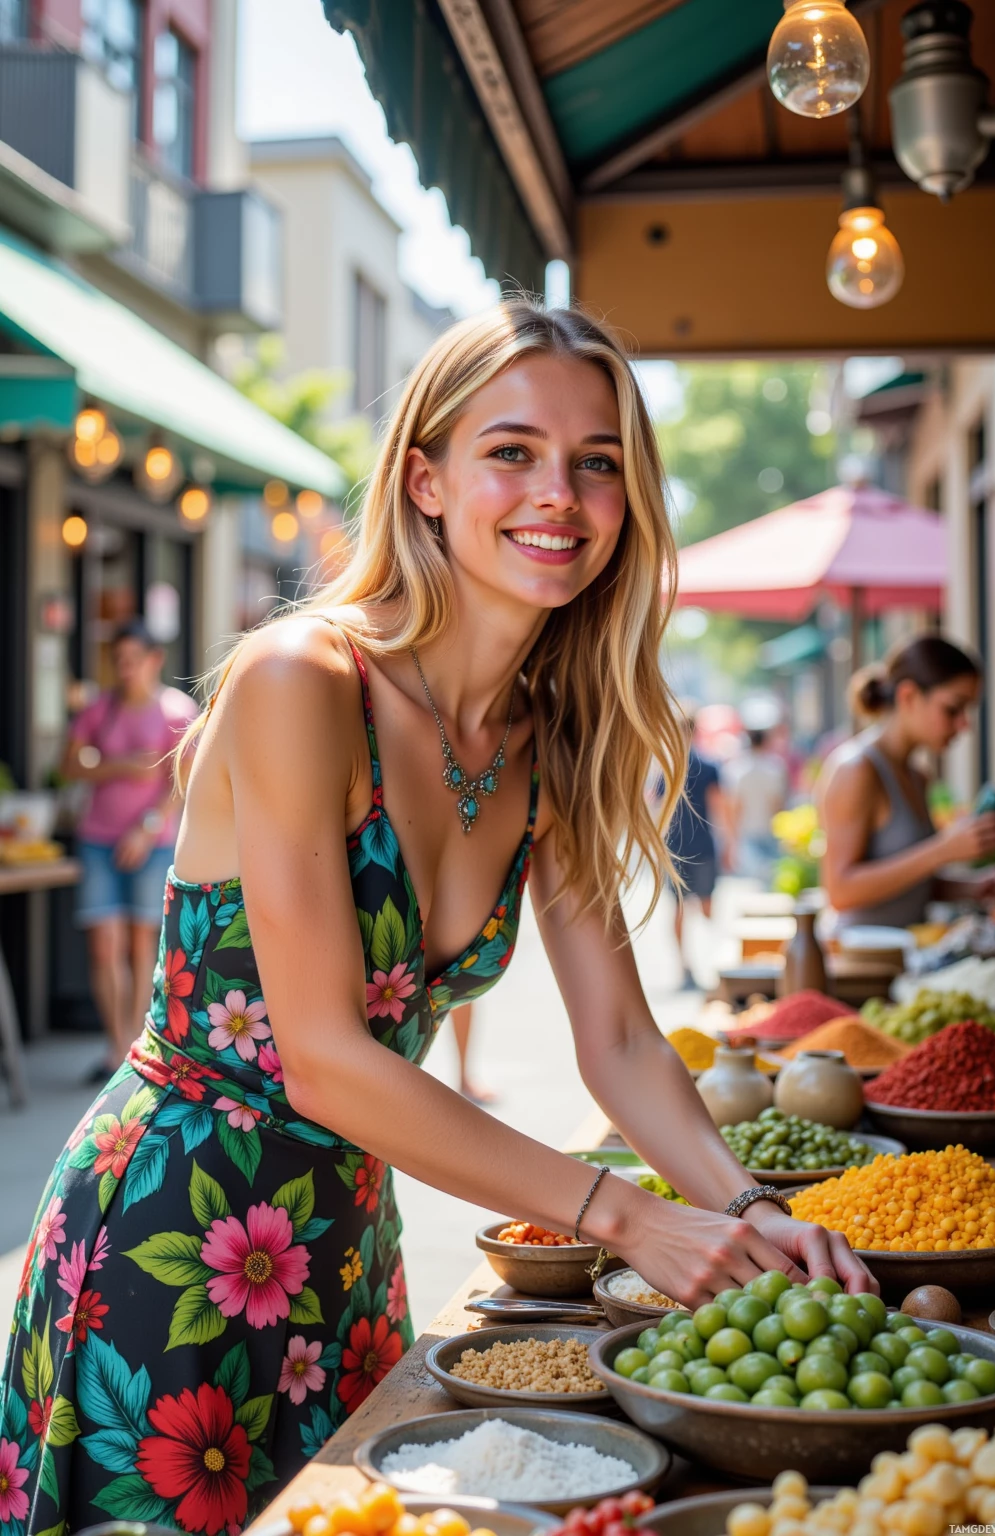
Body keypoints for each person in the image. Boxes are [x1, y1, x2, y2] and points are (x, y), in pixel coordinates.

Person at [5, 302, 874, 1535]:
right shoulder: (302, 680)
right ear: (424, 479)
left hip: (345, 1238)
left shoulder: (551, 737)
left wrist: (748, 1214)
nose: (557, 495)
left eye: (597, 461)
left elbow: (621, 1041)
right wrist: (625, 1215)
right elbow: (322, 1055)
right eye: (511, 452)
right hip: (169, 1230)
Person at [61, 618, 197, 1074]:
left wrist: (148, 827)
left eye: (133, 660)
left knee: (143, 945)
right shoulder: (100, 708)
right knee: (105, 945)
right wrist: (117, 766)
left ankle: (138, 1045)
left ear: (154, 660)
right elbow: (69, 764)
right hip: (99, 840)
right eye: (118, 661)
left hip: (152, 844)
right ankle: (115, 1044)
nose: (125, 669)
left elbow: (183, 781)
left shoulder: (177, 711)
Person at [821, 634, 995, 929]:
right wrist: (942, 850)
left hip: (903, 960)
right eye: (953, 709)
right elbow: (840, 891)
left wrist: (971, 887)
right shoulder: (856, 769)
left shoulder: (918, 776)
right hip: (856, 965)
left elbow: (909, 884)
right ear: (908, 696)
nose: (964, 724)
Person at [655, 711, 728, 989]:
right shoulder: (708, 766)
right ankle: (713, 964)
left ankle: (686, 966)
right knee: (707, 907)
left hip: (674, 848)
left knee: (679, 909)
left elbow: (657, 812)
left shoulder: (667, 768)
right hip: (703, 846)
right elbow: (720, 807)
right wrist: (729, 844)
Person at [721, 723, 789, 882]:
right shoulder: (775, 767)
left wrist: (731, 837)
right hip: (771, 829)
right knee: (774, 878)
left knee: (753, 881)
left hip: (747, 830)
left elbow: (734, 806)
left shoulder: (737, 769)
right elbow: (778, 803)